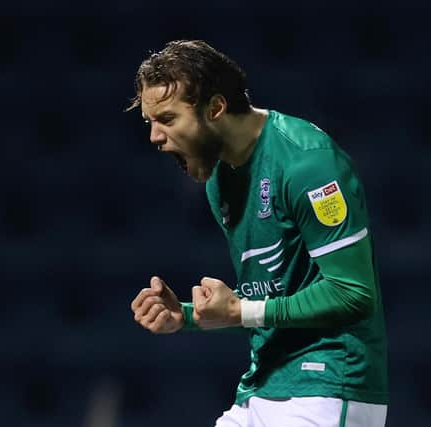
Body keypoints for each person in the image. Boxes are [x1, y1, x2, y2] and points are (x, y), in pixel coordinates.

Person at [128, 40, 388, 427]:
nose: (154, 137)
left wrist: (239, 312)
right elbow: (268, 296)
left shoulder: (306, 162)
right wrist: (187, 315)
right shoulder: (220, 179)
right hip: (262, 387)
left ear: (215, 108)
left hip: (328, 387)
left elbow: (352, 292)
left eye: (167, 119)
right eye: (151, 123)